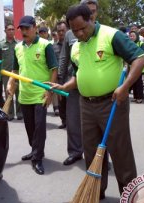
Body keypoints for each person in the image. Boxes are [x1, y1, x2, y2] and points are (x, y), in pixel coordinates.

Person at [50, 4, 144, 197]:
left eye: (82, 28)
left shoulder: (111, 36)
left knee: (120, 151)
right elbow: (80, 75)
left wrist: (124, 87)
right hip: (86, 105)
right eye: (74, 30)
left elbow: (140, 58)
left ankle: (129, 196)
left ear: (91, 19)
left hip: (112, 103)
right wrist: (65, 86)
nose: (79, 33)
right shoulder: (76, 46)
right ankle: (97, 191)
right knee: (91, 151)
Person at [7, 16, 58, 175]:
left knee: (39, 128)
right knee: (30, 127)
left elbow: (54, 69)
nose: (24, 31)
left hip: (40, 94)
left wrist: (50, 91)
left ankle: (37, 158)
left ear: (35, 28)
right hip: (24, 95)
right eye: (21, 29)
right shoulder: (17, 48)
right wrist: (11, 82)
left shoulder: (45, 45)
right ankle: (34, 150)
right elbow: (15, 71)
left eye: (27, 28)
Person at [58, 0, 99, 166]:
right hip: (73, 83)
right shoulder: (70, 34)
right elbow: (63, 57)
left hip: (96, 86)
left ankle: (99, 157)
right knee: (73, 120)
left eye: (93, 11)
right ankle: (75, 152)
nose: (90, 13)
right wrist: (61, 79)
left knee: (98, 124)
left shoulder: (103, 32)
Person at [0, 24, 22, 120]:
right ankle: (9, 114)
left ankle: (19, 113)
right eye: (9, 29)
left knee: (19, 93)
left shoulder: (19, 44)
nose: (11, 31)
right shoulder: (0, 44)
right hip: (6, 73)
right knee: (8, 93)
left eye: (12, 29)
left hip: (18, 73)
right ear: (5, 31)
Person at [53, 21, 68, 129]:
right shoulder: (53, 47)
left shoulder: (73, 44)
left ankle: (73, 122)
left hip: (71, 77)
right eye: (59, 31)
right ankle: (64, 121)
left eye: (63, 30)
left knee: (72, 101)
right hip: (60, 78)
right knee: (61, 101)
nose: (61, 33)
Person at [129, 30, 144, 103]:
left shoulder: (141, 43)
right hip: (131, 65)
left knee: (139, 82)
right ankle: (135, 97)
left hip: (139, 66)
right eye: (130, 36)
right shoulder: (128, 44)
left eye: (133, 36)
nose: (131, 37)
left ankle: (140, 97)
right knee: (133, 82)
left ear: (137, 36)